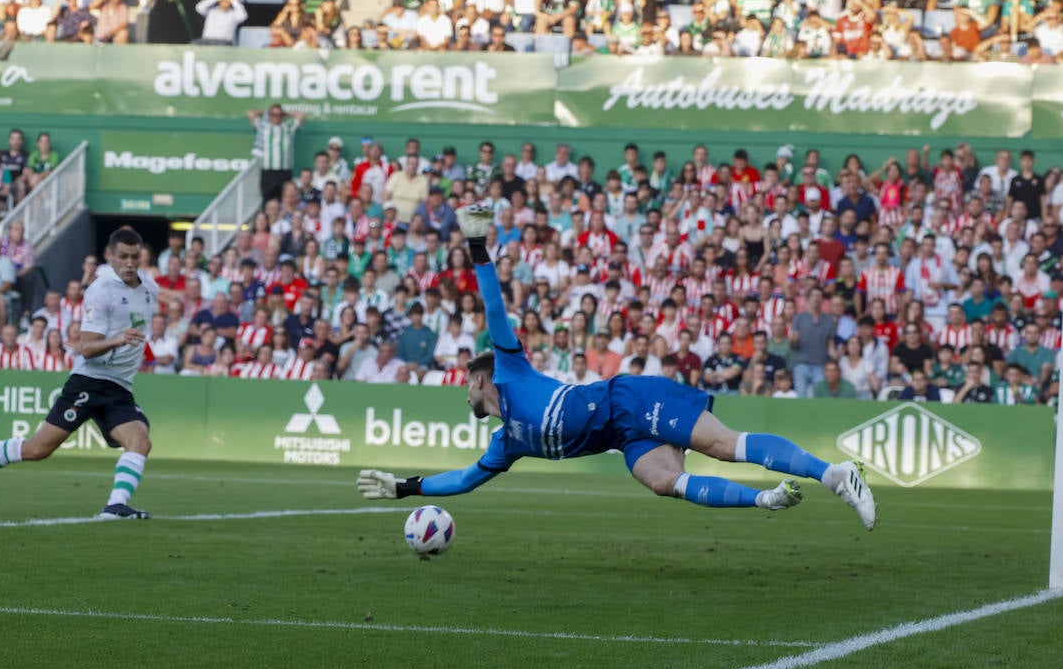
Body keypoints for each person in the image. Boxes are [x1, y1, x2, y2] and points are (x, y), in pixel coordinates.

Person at [356, 204, 877, 531]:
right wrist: (406, 488)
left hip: (629, 397)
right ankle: (763, 499)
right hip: (623, 436)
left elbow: (494, 308)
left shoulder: (511, 369)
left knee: (723, 445)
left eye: (462, 386)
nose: (462, 397)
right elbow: (465, 481)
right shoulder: (505, 443)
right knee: (661, 481)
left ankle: (835, 474)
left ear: (478, 377)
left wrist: (477, 248)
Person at [0, 227, 158, 519]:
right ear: (110, 256)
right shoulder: (101, 291)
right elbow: (87, 348)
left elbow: (159, 294)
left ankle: (116, 505)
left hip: (119, 386)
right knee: (37, 449)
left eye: (134, 257)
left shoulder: (149, 288)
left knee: (140, 441)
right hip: (89, 381)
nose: (129, 263)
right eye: (123, 257)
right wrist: (117, 339)